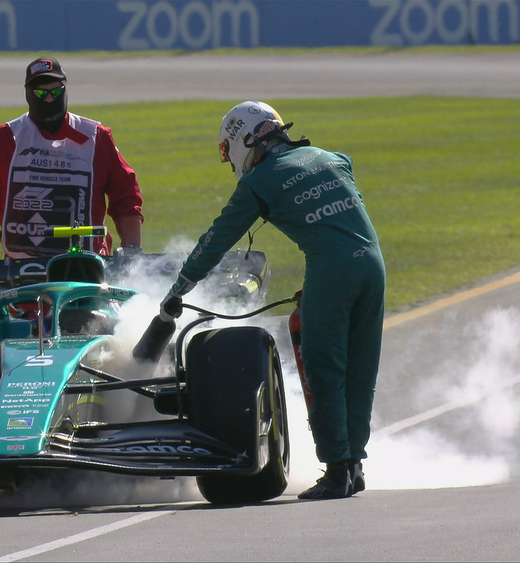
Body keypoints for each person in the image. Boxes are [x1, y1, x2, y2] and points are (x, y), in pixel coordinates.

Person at [159, 101, 385, 500]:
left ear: (243, 141)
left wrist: (180, 288)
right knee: (360, 370)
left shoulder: (259, 182)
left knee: (323, 368)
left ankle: (337, 470)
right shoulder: (331, 158)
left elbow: (217, 239)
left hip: (332, 271)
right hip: (373, 266)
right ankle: (354, 466)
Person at [0, 56, 143, 307]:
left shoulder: (96, 138)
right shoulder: (3, 140)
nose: (48, 99)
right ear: (28, 94)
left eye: (55, 92)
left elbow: (126, 197)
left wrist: (132, 253)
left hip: (89, 275)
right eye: (40, 93)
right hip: (22, 278)